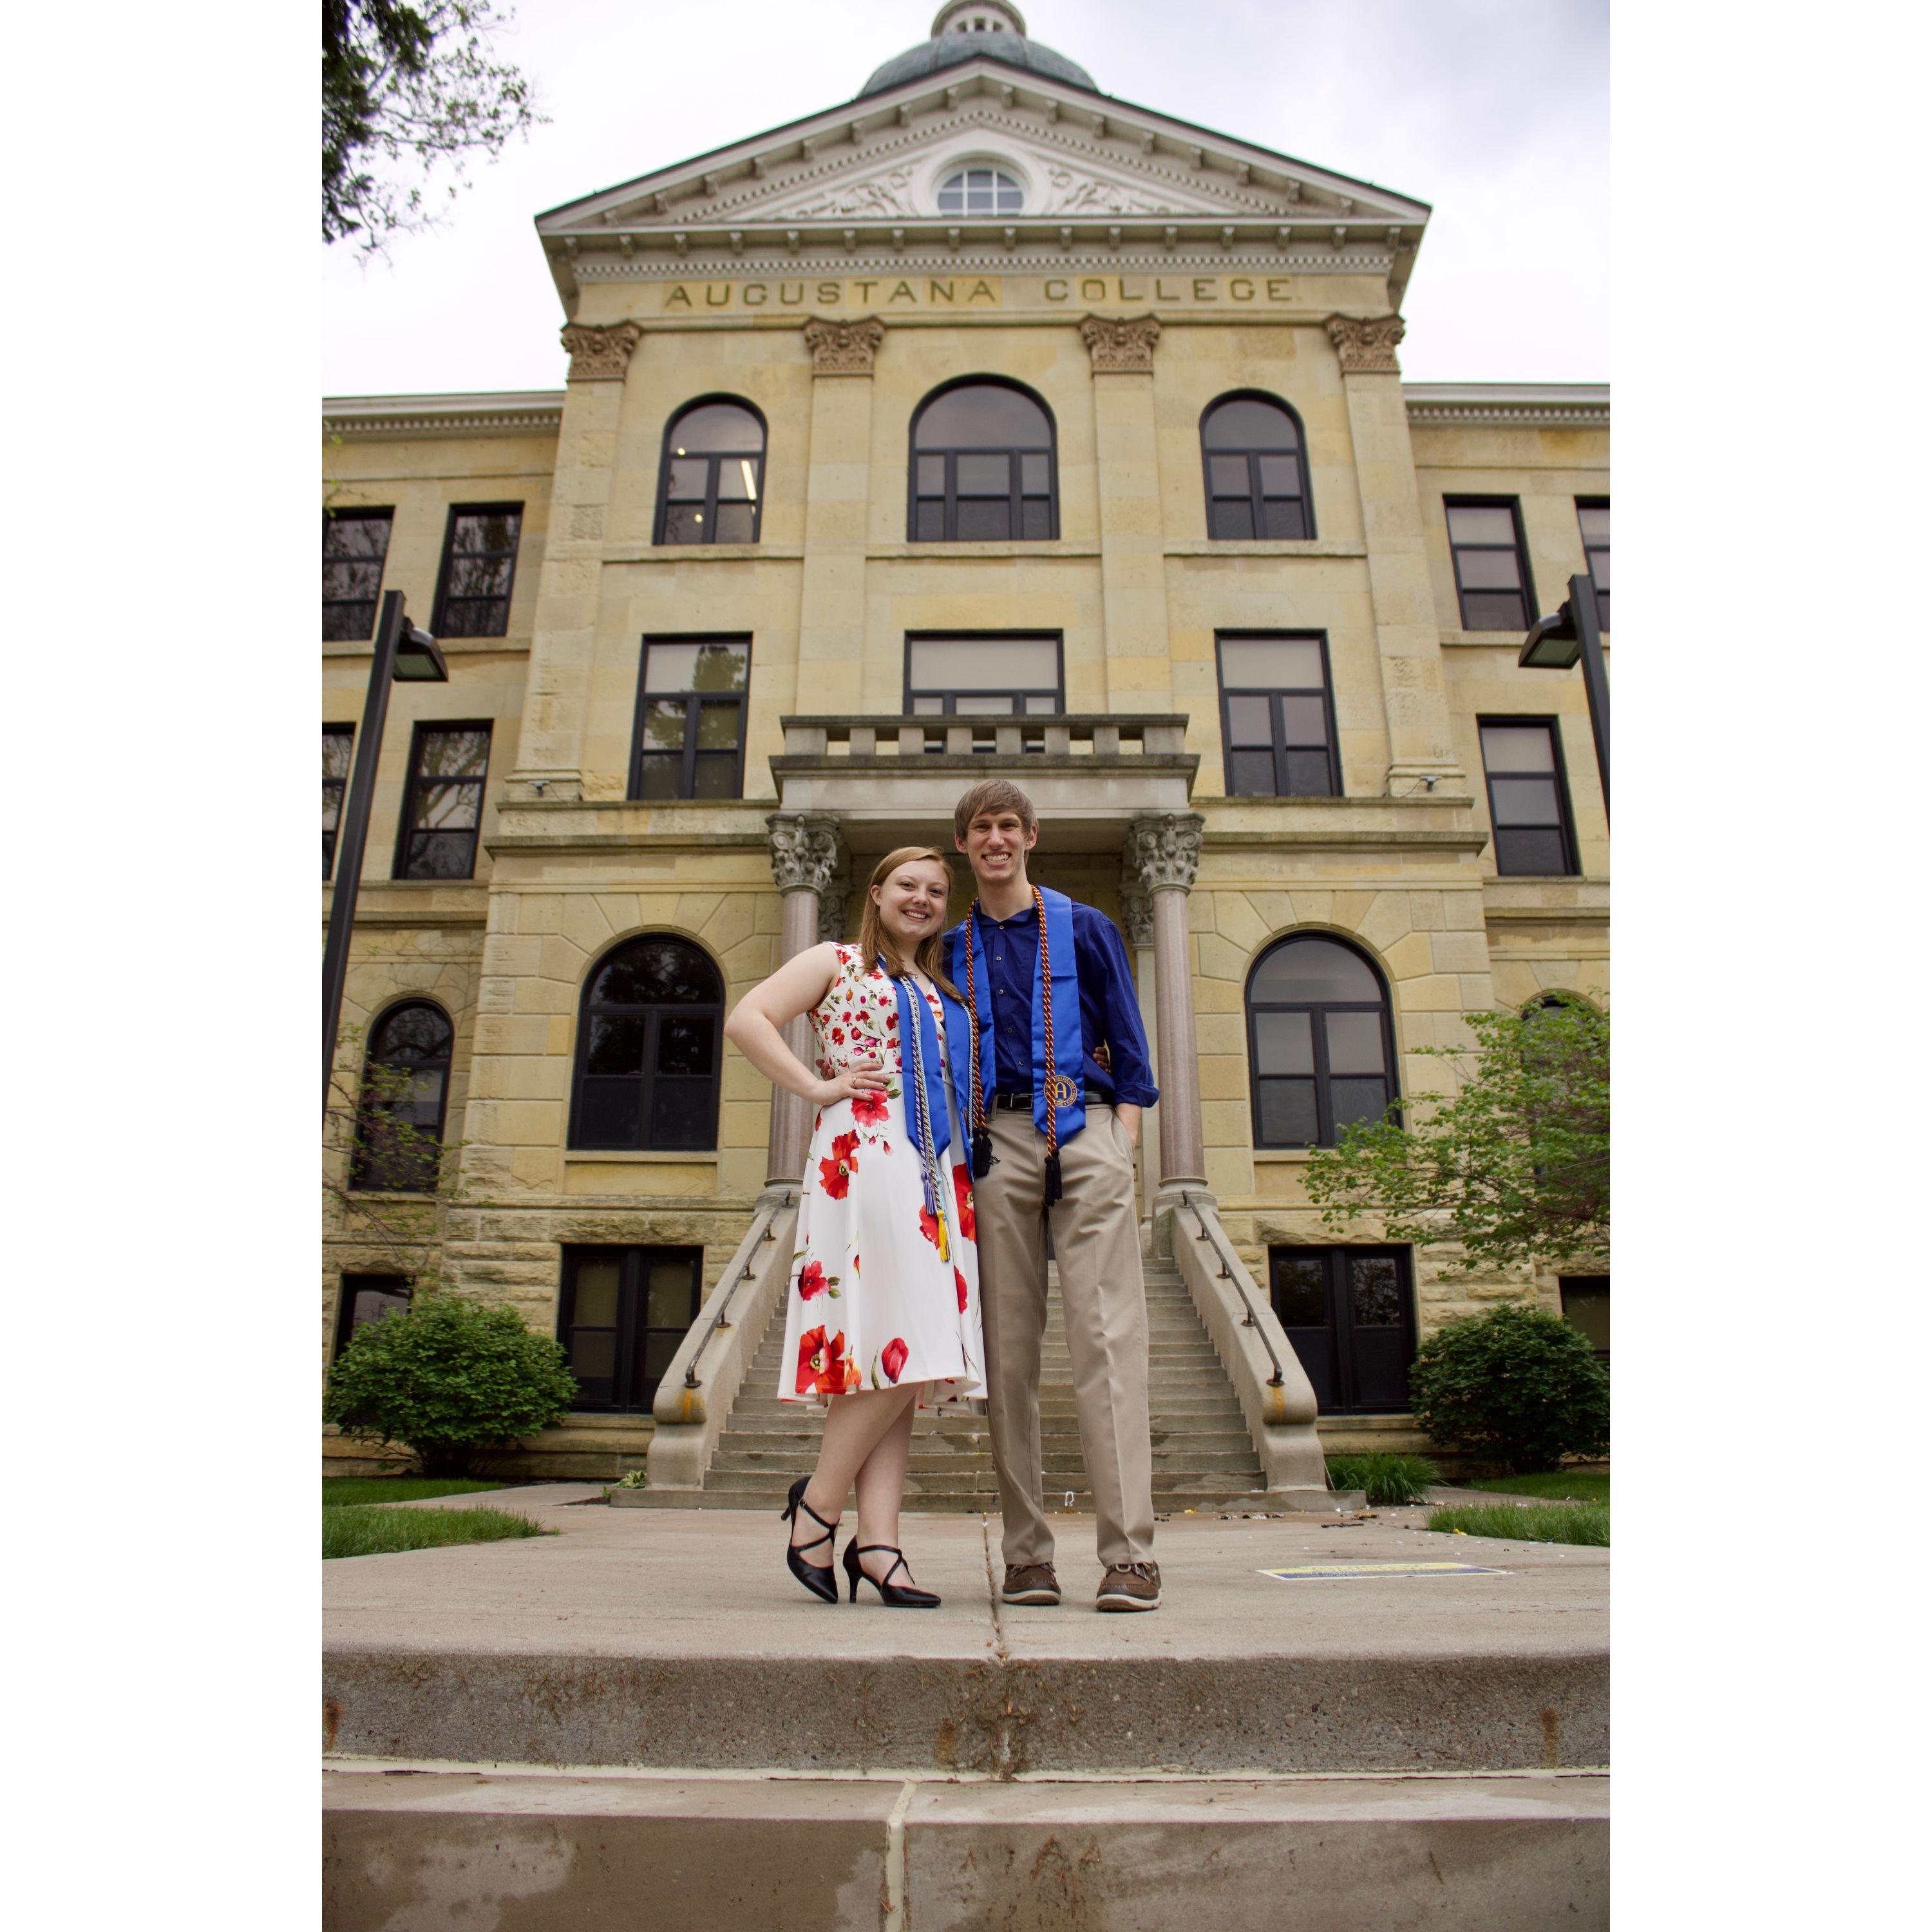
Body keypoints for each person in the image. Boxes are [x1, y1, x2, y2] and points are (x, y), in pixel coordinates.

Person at [723, 847, 985, 1608]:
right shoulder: (834, 960)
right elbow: (749, 1018)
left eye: (937, 890)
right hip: (866, 1157)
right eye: (908, 885)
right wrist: (816, 1085)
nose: (923, 898)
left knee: (896, 1358)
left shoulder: (939, 986)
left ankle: (879, 1546)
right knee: (913, 1335)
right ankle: (817, 1511)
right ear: (876, 893)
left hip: (935, 1169)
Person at [945, 780, 1164, 1613]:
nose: (996, 839)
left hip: (1089, 1129)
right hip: (994, 1143)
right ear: (964, 846)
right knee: (1008, 1354)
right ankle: (1027, 1554)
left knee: (1110, 1343)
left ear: (1031, 836)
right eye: (980, 829)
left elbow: (1134, 1051)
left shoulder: (1086, 928)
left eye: (1008, 826)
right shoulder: (951, 947)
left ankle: (1131, 1556)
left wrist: (1124, 1144)